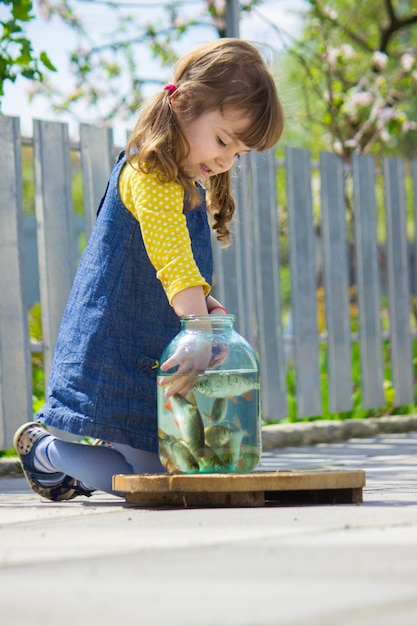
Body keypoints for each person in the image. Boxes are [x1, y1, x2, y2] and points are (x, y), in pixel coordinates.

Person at [14, 38, 284, 500]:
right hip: (116, 346)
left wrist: (209, 312)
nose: (225, 160)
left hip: (154, 348)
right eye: (222, 140)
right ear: (183, 104)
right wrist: (197, 325)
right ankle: (46, 452)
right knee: (158, 477)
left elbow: (180, 271)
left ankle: (62, 463)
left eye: (238, 153)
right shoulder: (150, 174)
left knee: (172, 462)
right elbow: (173, 259)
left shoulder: (186, 182)